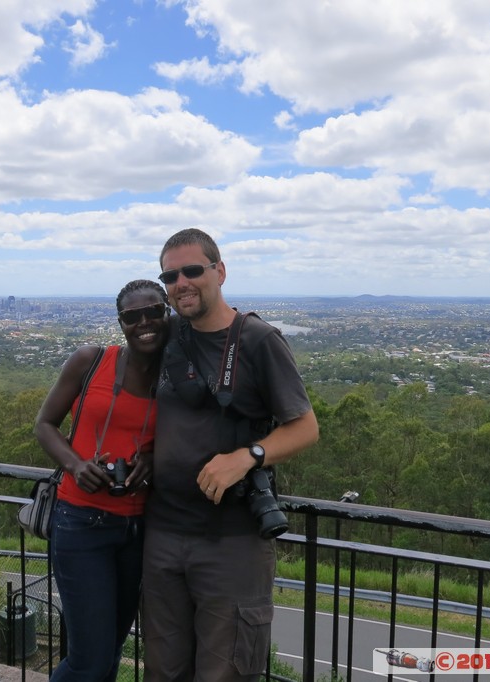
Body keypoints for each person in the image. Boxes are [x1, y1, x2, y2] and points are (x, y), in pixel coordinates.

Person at [142, 228, 319, 681]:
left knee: (226, 672)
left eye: (192, 270)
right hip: (163, 534)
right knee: (163, 670)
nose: (181, 283)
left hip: (233, 541)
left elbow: (305, 427)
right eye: (170, 276)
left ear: (219, 271)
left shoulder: (258, 340)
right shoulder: (169, 335)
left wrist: (248, 455)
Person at [34, 279, 170, 681]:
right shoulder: (91, 361)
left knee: (110, 653)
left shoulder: (176, 377)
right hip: (80, 522)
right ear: (120, 322)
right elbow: (44, 424)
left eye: (153, 312)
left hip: (138, 528)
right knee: (88, 661)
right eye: (132, 316)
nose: (144, 322)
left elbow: (185, 440)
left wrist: (152, 460)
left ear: (167, 313)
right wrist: (76, 465)